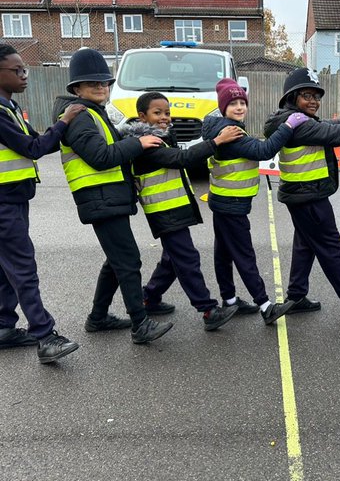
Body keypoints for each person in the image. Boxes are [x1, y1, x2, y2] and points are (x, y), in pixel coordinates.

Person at [53, 49, 173, 345]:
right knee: (128, 260)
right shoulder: (81, 117)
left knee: (116, 259)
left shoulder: (94, 113)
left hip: (107, 199)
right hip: (100, 199)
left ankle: (98, 317)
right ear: (76, 88)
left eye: (105, 82)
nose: (101, 87)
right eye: (93, 83)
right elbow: (101, 157)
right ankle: (140, 325)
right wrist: (139, 142)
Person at [262, 67, 340, 316]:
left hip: (303, 194)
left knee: (305, 245)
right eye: (307, 96)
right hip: (308, 196)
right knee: (330, 245)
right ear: (293, 98)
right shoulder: (298, 126)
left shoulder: (295, 119)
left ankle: (297, 296)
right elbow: (336, 134)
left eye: (317, 96)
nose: (314, 101)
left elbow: (333, 123)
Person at [122, 92, 244, 331]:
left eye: (167, 113)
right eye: (157, 113)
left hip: (173, 209)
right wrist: (217, 141)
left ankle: (149, 297)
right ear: (142, 116)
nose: (164, 117)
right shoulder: (147, 144)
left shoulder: (161, 137)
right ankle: (208, 310)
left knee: (171, 260)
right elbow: (182, 158)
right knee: (188, 258)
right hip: (164, 211)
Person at [0, 44, 84, 364]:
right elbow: (33, 148)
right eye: (17, 70)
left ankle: (4, 327)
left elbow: (41, 142)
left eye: (25, 70)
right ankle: (45, 336)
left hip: (13, 198)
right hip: (4, 203)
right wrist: (64, 120)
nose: (24, 75)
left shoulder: (10, 108)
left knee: (5, 269)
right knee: (23, 269)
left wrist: (62, 127)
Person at [200, 79, 304, 323]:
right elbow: (264, 151)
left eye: (242, 103)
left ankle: (230, 300)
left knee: (224, 253)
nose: (239, 107)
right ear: (223, 107)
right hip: (231, 204)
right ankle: (266, 306)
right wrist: (288, 126)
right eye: (233, 103)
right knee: (244, 254)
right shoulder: (231, 132)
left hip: (223, 200)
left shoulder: (222, 128)